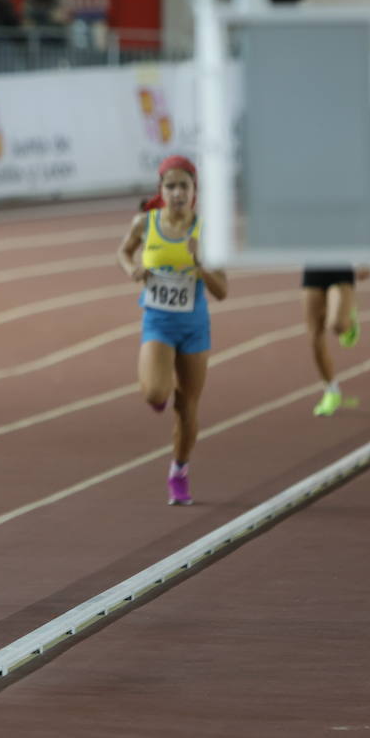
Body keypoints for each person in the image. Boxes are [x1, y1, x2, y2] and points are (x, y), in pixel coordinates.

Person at [115, 155, 228, 506]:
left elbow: (222, 290)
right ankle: (161, 388)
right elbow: (123, 252)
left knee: (188, 406)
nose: (178, 192)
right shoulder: (144, 223)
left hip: (194, 326)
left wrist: (200, 263)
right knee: (154, 393)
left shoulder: (206, 231)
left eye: (184, 186)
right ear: (161, 190)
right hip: (159, 321)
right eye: (171, 186)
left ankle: (179, 470)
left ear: (195, 191)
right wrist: (132, 269)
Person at [302, 266, 368, 416]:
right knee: (314, 337)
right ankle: (331, 391)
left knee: (338, 326)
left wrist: (364, 261)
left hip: (340, 266)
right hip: (314, 267)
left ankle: (349, 320)